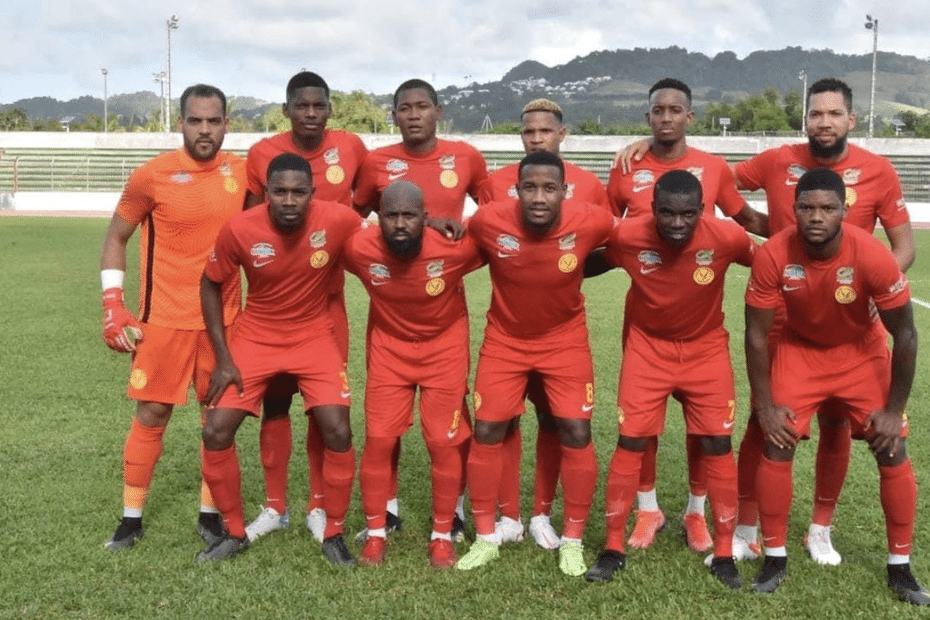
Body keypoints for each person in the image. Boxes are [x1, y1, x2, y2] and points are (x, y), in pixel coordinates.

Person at [730, 78, 916, 565]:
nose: (825, 122)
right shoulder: (777, 160)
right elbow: (716, 180)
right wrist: (759, 227)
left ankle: (820, 528)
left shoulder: (878, 171)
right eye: (817, 114)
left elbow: (904, 246)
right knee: (764, 420)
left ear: (850, 120)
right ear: (806, 119)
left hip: (849, 313)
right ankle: (747, 528)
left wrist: (880, 286)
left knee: (836, 425)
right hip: (781, 314)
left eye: (834, 114)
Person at [745, 167, 927, 605]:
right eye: (806, 207)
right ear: (793, 210)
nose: (816, 216)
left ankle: (900, 567)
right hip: (800, 351)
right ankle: (774, 556)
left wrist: (892, 408)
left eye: (828, 208)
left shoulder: (872, 255)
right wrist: (765, 406)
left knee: (892, 445)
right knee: (776, 441)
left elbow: (905, 334)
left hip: (860, 353)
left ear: (845, 210)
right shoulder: (773, 254)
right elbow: (755, 335)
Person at [605, 78, 768, 556]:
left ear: (689, 117)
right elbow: (601, 227)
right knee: (640, 426)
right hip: (645, 326)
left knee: (707, 429)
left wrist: (809, 232)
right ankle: (648, 507)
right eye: (659, 111)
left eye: (676, 110)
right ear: (648, 116)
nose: (667, 118)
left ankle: (697, 511)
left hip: (701, 325)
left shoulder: (714, 169)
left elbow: (747, 224)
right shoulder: (627, 165)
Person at [582, 170, 754, 589]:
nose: (677, 223)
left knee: (717, 441)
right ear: (652, 209)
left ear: (702, 210)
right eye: (667, 214)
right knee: (631, 441)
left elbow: (773, 263)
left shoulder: (727, 237)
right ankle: (614, 547)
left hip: (706, 348)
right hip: (648, 350)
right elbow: (584, 264)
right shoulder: (628, 237)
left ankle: (725, 551)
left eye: (687, 214)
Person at [99, 84, 246, 551]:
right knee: (152, 412)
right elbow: (116, 237)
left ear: (226, 123)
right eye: (195, 120)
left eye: (214, 120)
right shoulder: (152, 176)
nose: (205, 130)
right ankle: (130, 519)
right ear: (180, 122)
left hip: (223, 321)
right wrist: (113, 304)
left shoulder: (242, 173)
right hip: (162, 318)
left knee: (217, 420)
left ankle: (210, 515)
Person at [456, 151, 617, 577]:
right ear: (517, 191)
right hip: (505, 340)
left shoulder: (591, 220)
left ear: (565, 191)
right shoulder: (488, 220)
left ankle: (573, 539)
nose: (539, 197)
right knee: (488, 427)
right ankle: (487, 536)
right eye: (530, 187)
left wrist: (578, 264)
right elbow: (457, 237)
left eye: (549, 188)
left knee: (576, 431)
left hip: (564, 341)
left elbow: (626, 244)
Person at [197, 153, 360, 564]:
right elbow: (210, 283)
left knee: (337, 428)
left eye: (298, 192)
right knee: (216, 431)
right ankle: (234, 531)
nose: (289, 200)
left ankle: (334, 530)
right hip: (257, 337)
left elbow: (390, 232)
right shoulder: (240, 228)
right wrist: (223, 357)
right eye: (280, 192)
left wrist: (428, 223)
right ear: (265, 193)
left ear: (313, 193)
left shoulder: (338, 219)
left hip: (313, 336)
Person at [352, 78, 488, 538]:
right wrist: (424, 220)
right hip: (390, 307)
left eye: (422, 106)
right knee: (383, 425)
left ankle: (457, 506)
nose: (413, 115)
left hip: (443, 299)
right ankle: (385, 508)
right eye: (404, 108)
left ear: (438, 111)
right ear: (393, 116)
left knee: (451, 415)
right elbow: (357, 220)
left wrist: (457, 226)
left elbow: (493, 216)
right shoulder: (375, 162)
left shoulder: (465, 157)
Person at [478, 98, 609, 549]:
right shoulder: (495, 186)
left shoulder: (590, 187)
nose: (537, 138)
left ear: (562, 133)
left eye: (545, 131)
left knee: (558, 423)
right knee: (501, 422)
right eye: (529, 131)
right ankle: (507, 515)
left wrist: (565, 267)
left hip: (561, 334)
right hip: (507, 331)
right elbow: (484, 240)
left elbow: (611, 244)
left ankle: (543, 515)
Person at [242, 71, 367, 544]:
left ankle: (318, 506)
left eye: (319, 105)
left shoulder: (351, 148)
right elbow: (251, 220)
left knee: (324, 408)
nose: (311, 114)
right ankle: (275, 507)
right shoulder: (261, 154)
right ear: (287, 109)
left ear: (330, 108)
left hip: (327, 305)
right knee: (274, 403)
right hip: (273, 308)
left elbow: (373, 206)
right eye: (302, 106)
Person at [342, 181, 484, 568]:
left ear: (425, 218)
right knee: (379, 440)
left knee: (443, 443)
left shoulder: (456, 248)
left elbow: (496, 236)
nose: (400, 224)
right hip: (390, 352)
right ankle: (375, 534)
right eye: (391, 216)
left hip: (444, 351)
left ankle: (442, 535)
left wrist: (449, 223)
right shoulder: (358, 248)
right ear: (378, 219)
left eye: (410, 216)